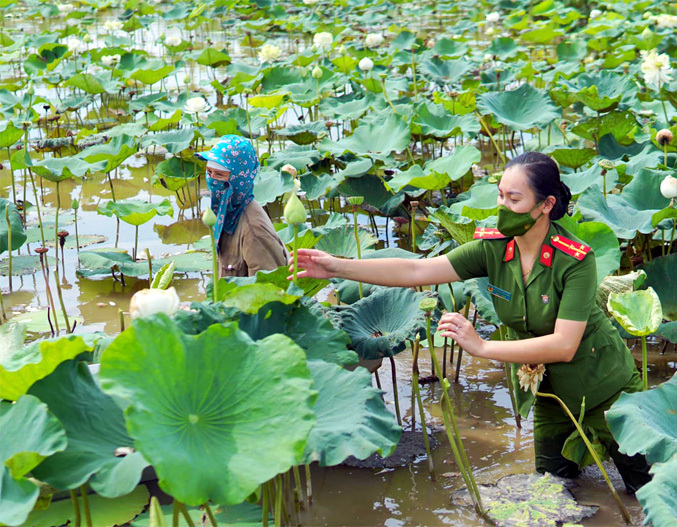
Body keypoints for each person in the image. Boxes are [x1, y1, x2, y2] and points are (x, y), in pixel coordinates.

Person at [291, 151, 651, 493]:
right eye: (500, 196)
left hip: (607, 390)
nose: (503, 207)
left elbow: (563, 344)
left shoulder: (575, 260)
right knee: (556, 489)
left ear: (546, 205)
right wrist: (336, 266)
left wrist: (481, 347)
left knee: (641, 492)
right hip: (550, 395)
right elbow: (418, 268)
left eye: (514, 199)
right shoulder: (494, 248)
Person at [196, 135, 288, 277]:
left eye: (219, 175)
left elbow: (269, 291)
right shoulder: (228, 214)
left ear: (239, 179)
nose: (212, 180)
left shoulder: (254, 232)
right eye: (209, 172)